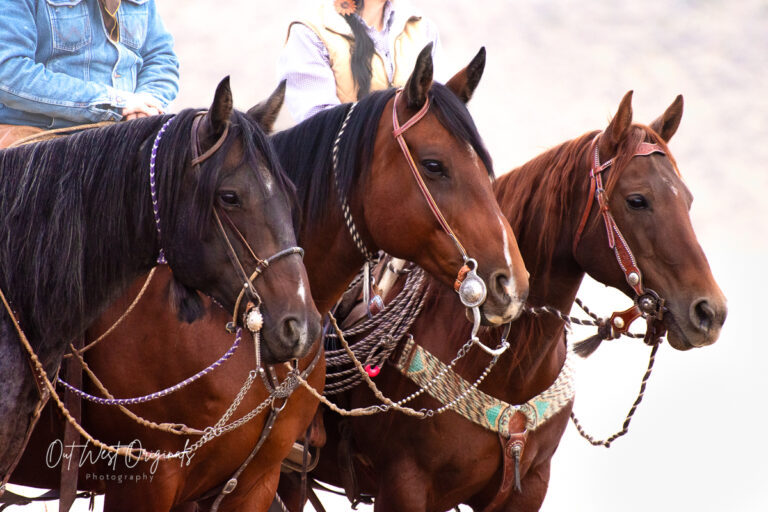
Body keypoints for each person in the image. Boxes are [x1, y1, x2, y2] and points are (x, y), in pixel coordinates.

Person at [0, 0, 179, 148]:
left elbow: (160, 56)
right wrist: (115, 103)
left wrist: (147, 103)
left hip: (130, 132)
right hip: (40, 138)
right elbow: (9, 73)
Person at [277, 0, 439, 123]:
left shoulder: (421, 26)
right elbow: (319, 123)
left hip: (414, 162)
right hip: (347, 164)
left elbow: (441, 106)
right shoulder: (310, 32)